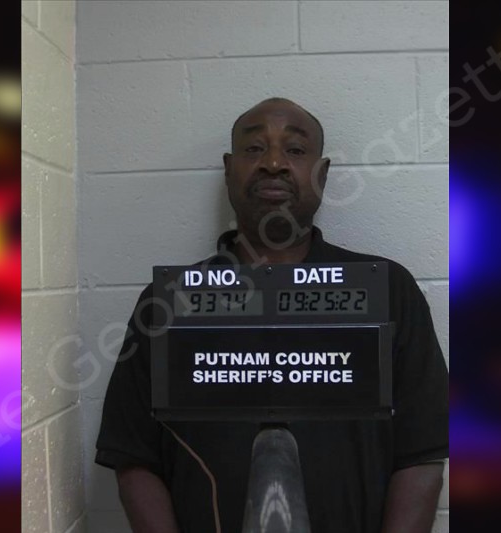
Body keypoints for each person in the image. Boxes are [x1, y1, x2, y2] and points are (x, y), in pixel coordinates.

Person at [95, 98, 448, 533]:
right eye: (254, 149)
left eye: (295, 150)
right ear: (229, 170)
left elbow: (421, 454)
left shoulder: (388, 292)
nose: (274, 163)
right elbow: (134, 458)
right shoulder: (169, 303)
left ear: (322, 173)